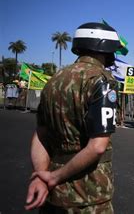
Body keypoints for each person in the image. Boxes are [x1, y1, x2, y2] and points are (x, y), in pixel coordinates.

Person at [24, 22, 122, 212]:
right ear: (104, 47)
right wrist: (54, 177)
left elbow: (41, 134)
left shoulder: (54, 79)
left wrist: (42, 175)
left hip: (53, 194)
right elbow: (97, 146)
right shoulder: (101, 80)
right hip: (88, 192)